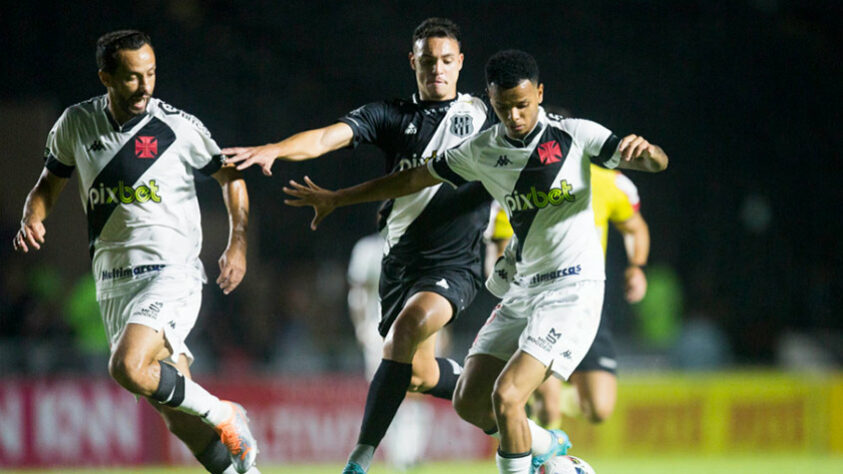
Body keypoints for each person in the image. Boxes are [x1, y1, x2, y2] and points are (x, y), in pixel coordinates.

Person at [281, 49, 668, 474]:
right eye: (504, 108)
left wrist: (648, 152)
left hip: (572, 288)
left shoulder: (576, 135)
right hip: (524, 289)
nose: (515, 116)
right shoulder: (482, 149)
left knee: (508, 396)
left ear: (539, 93)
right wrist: (339, 198)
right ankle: (551, 449)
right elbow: (412, 178)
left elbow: (653, 162)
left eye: (523, 105)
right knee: (470, 401)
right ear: (491, 98)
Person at [224, 18, 496, 474]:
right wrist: (276, 148)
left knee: (406, 330)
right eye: (428, 61)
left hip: (456, 262)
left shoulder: (484, 117)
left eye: (447, 61)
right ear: (413, 62)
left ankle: (360, 459)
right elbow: (327, 138)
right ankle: (507, 402)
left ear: (461, 62)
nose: (437, 70)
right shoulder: (391, 116)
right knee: (420, 374)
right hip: (400, 265)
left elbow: (537, 131)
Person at [12, 30, 259, 474]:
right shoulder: (76, 123)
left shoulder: (177, 127)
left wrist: (237, 241)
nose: (145, 87)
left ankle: (227, 414)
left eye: (151, 74)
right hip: (113, 283)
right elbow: (48, 184)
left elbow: (231, 177)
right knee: (177, 413)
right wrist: (34, 215)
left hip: (171, 272)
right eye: (131, 77)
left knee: (127, 366)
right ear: (105, 77)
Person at [488, 159, 651, 428]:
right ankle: (545, 461)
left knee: (599, 408)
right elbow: (498, 257)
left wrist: (637, 267)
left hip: (585, 304)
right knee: (549, 407)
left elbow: (635, 227)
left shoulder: (606, 182)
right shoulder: (517, 187)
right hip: (538, 306)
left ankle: (544, 395)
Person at [347, 232, 433, 471]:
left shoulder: (418, 244)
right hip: (377, 332)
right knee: (386, 393)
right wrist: (361, 327)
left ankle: (411, 452)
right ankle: (399, 455)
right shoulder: (366, 249)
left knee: (415, 389)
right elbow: (357, 294)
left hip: (415, 328)